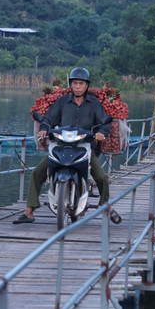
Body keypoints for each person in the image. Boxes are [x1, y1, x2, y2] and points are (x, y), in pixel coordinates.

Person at [13, 67, 121, 225]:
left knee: (102, 177)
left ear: (86, 86)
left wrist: (102, 133)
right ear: (71, 84)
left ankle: (106, 205)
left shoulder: (94, 103)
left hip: (84, 146)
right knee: (37, 172)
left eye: (81, 83)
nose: (77, 86)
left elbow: (104, 121)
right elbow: (48, 118)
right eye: (75, 83)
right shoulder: (62, 101)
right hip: (62, 146)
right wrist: (44, 128)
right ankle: (29, 211)